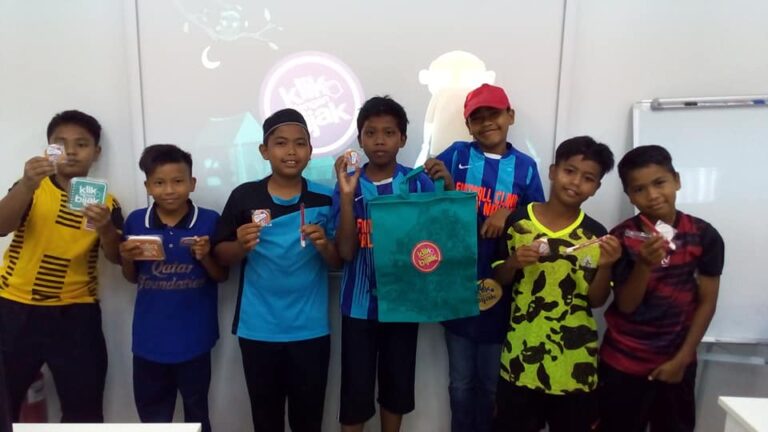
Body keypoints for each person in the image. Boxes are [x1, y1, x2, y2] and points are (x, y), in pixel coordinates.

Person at [424, 83, 545, 432]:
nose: (487, 122)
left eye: (494, 114)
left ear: (511, 116)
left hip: (503, 291)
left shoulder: (525, 168)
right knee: (460, 383)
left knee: (492, 384)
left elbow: (537, 218)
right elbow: (432, 207)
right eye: (477, 118)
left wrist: (508, 213)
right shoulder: (456, 155)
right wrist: (444, 182)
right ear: (468, 125)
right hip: (457, 287)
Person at [213, 108, 340, 432]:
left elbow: (339, 261)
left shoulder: (326, 198)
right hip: (258, 328)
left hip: (310, 329)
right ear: (264, 151)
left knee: (308, 421)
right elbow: (220, 255)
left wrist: (325, 245)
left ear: (310, 150)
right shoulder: (244, 196)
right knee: (266, 420)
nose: (291, 151)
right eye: (281, 143)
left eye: (300, 143)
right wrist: (240, 246)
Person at [0, 110, 122, 422]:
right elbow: (1, 227)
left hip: (76, 313)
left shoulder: (107, 203)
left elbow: (116, 257)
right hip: (14, 308)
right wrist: (26, 184)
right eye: (61, 143)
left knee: (84, 411)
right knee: (4, 404)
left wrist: (106, 227)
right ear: (49, 149)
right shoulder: (32, 188)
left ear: (96, 152)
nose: (71, 151)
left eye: (81, 144)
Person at [492, 136, 618, 431]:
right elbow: (498, 280)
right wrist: (514, 262)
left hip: (574, 364)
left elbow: (596, 301)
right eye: (569, 171)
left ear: (596, 187)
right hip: (520, 356)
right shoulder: (518, 221)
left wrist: (607, 265)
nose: (575, 182)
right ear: (552, 171)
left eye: (588, 178)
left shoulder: (596, 235)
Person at [598, 145, 724, 432]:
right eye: (639, 189)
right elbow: (626, 305)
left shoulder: (703, 235)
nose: (653, 195)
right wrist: (644, 265)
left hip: (676, 363)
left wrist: (682, 358)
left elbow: (707, 301)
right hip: (622, 363)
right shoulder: (621, 237)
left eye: (660, 183)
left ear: (676, 180)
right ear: (629, 195)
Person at [333, 96, 435, 432]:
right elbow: (345, 252)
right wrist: (346, 196)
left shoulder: (417, 183)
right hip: (358, 306)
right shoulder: (348, 185)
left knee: (397, 388)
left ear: (402, 139)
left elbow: (434, 243)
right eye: (371, 132)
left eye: (389, 133)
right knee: (355, 392)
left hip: (404, 306)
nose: (379, 140)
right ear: (360, 139)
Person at [120, 144, 227, 432]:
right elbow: (132, 278)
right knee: (153, 419)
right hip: (148, 341)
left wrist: (205, 256)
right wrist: (126, 258)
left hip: (195, 339)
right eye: (159, 183)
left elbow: (221, 276)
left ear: (192, 183)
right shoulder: (136, 221)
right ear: (148, 186)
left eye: (178, 181)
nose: (169, 190)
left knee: (197, 413)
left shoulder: (209, 220)